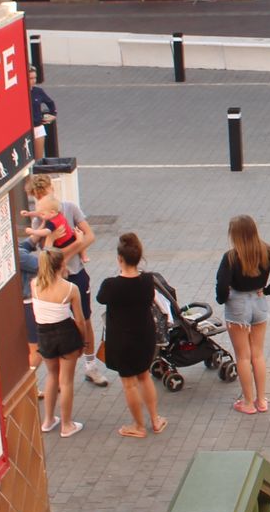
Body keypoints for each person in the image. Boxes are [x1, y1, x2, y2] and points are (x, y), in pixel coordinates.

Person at [24, 175, 106, 388]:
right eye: (38, 197)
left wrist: (66, 254)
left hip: (76, 273)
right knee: (55, 324)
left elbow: (89, 236)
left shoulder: (69, 208)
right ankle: (55, 375)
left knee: (86, 319)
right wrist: (70, 250)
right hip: (55, 280)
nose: (42, 200)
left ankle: (90, 366)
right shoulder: (38, 221)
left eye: (45, 194)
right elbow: (47, 256)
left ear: (53, 189)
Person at [216, 214, 270, 415]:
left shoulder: (231, 257)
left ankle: (247, 402)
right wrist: (268, 290)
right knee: (258, 354)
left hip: (237, 305)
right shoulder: (266, 251)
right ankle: (262, 399)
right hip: (258, 303)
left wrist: (223, 299)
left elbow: (222, 286)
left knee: (243, 356)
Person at [96, 232, 166, 438]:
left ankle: (139, 426)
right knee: (145, 376)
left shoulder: (111, 285)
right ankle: (155, 419)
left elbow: (101, 299)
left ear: (119, 259)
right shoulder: (147, 280)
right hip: (145, 336)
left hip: (122, 340)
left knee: (129, 383)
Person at [31, 246, 91, 438]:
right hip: (66, 334)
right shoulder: (70, 289)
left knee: (51, 376)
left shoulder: (34, 285)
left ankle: (48, 420)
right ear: (61, 264)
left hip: (44, 334)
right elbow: (80, 319)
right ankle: (67, 425)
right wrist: (83, 341)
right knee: (66, 382)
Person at [17, 231, 42, 396]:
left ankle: (30, 386)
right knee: (37, 349)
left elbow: (26, 245)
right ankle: (28, 388)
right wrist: (52, 240)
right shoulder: (19, 256)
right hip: (28, 305)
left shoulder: (16, 251)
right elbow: (45, 263)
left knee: (31, 349)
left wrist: (39, 230)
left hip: (25, 305)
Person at [29, 67, 56, 161]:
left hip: (37, 127)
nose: (33, 81)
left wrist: (52, 115)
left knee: (38, 159)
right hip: (26, 130)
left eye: (34, 78)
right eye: (30, 78)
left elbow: (50, 103)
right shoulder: (20, 92)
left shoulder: (38, 92)